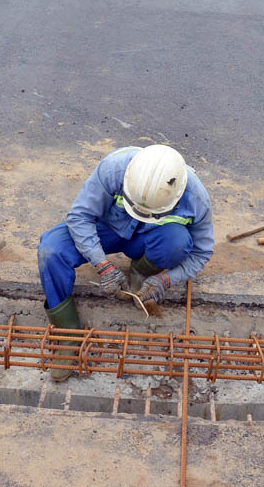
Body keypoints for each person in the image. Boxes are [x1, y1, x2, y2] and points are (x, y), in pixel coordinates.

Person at [37, 145, 214, 381]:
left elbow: (201, 253)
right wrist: (103, 266)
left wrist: (166, 279)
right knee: (51, 250)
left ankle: (141, 270)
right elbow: (80, 217)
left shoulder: (196, 198)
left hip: (150, 239)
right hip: (106, 230)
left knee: (178, 242)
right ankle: (69, 334)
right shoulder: (114, 168)